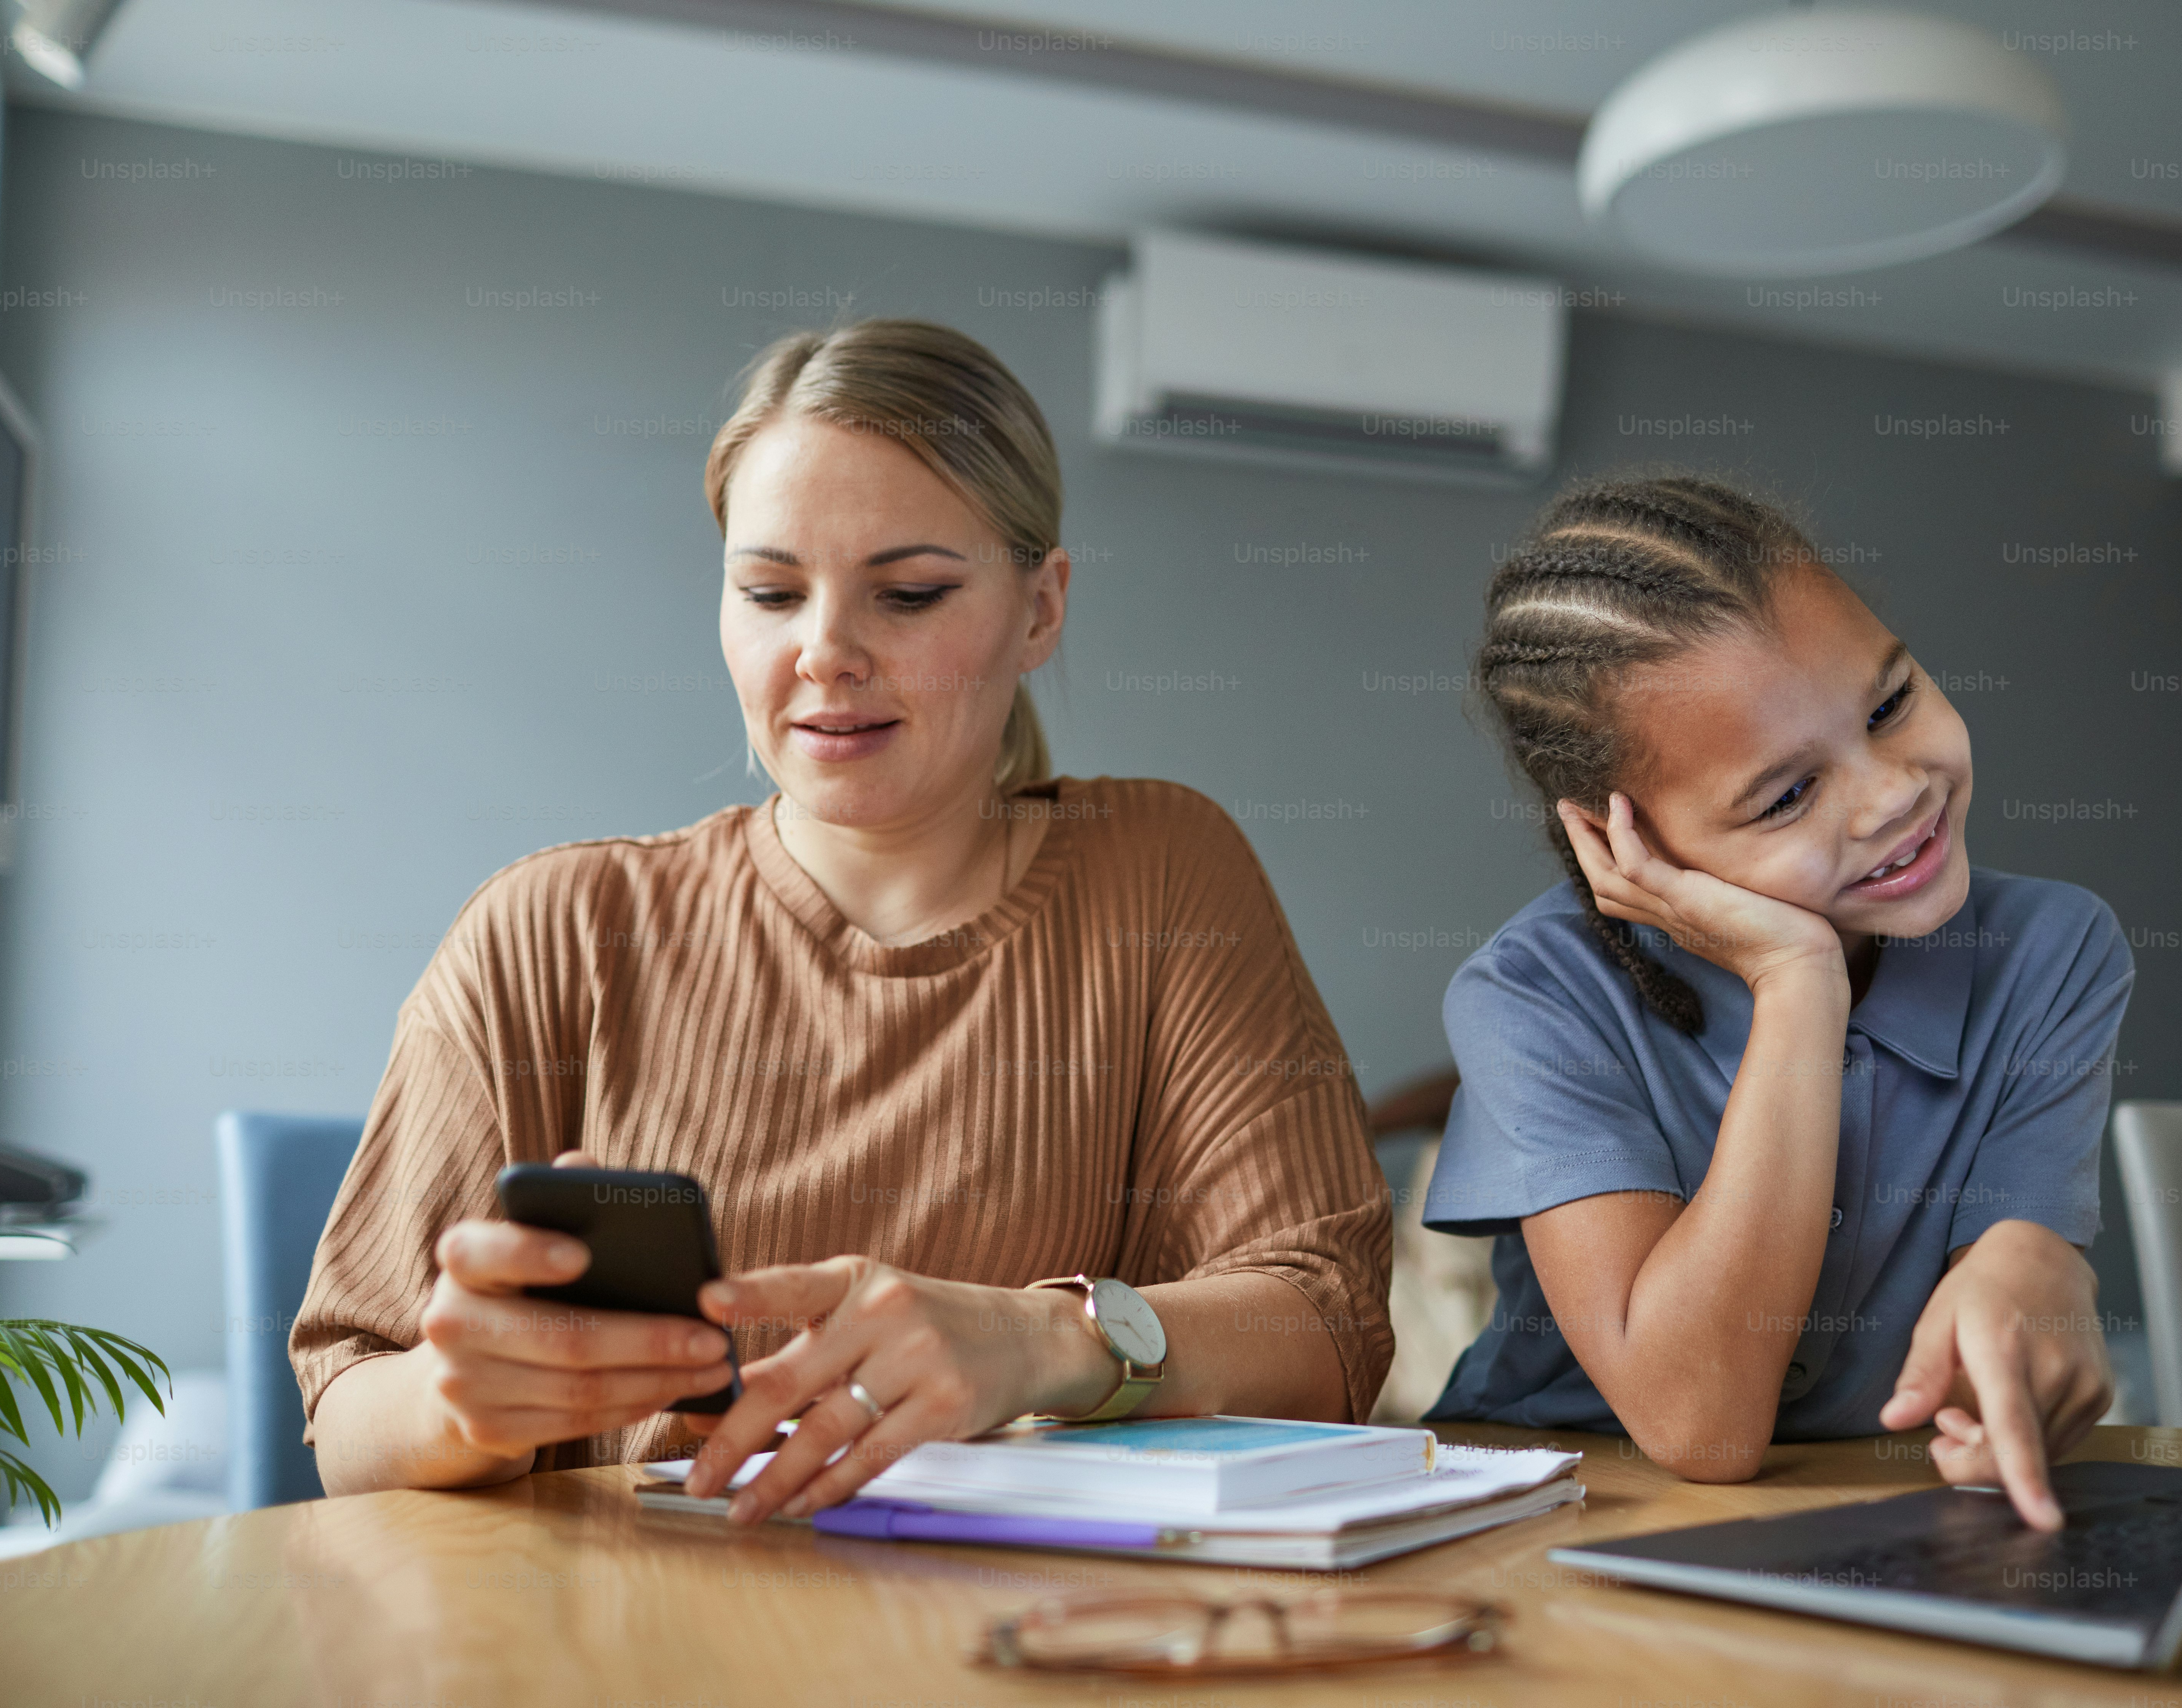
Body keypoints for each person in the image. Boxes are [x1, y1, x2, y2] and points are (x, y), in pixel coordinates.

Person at [294, 319, 1391, 1523]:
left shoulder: (1164, 875)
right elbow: (347, 1417)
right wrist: (462, 1403)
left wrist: (1036, 1340)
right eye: (769, 591)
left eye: (908, 593)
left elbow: (1327, 1319)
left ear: (1041, 609)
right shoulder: (550, 931)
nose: (823, 653)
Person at [1421, 474, 2129, 1531]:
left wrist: (2039, 1273)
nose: (1895, 794)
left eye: (1890, 704)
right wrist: (1801, 981)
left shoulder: (2052, 951)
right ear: (1629, 843)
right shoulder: (1535, 999)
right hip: (1556, 1516)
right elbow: (1699, 1426)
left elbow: (2020, 1261)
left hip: (1864, 1515)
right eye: (1788, 795)